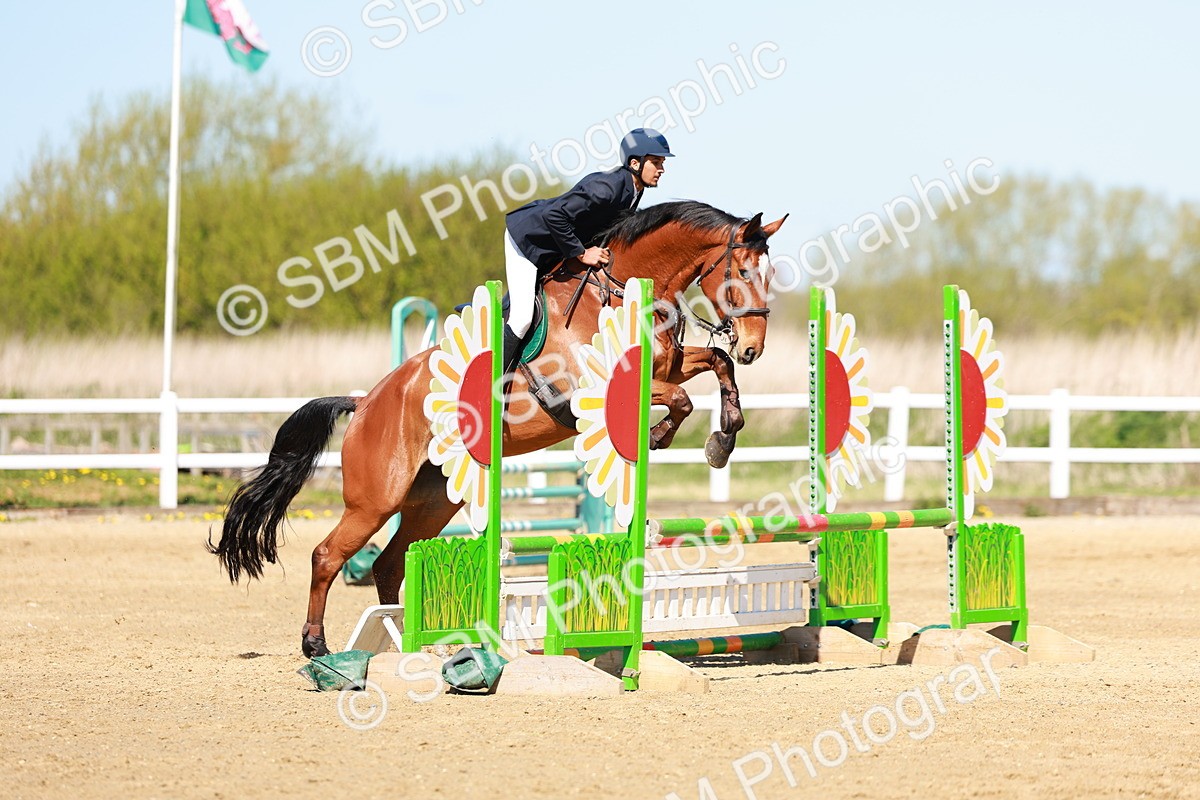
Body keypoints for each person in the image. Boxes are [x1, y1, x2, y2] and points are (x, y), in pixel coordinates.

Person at [501, 127, 674, 372]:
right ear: (635, 163)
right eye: (656, 162)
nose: (662, 169)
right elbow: (554, 215)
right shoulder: (606, 187)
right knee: (521, 319)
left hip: (557, 244)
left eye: (662, 163)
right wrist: (582, 253)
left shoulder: (635, 188)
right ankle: (492, 381)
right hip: (529, 239)